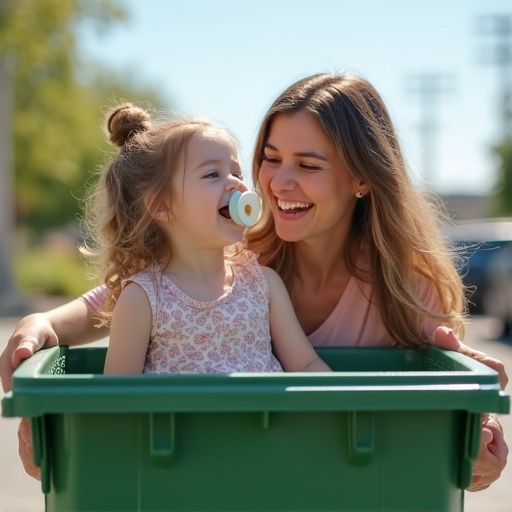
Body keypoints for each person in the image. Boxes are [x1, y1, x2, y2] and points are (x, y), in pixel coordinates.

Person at [1, 72, 507, 489]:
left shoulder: (401, 289)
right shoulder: (238, 253)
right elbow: (116, 303)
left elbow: (446, 426)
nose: (276, 182)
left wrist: (477, 435)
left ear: (361, 179)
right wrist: (42, 325)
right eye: (270, 158)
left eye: (307, 165)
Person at [84, 103, 331, 377]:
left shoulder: (263, 285)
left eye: (236, 173)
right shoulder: (143, 298)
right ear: (163, 206)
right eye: (212, 174)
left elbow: (305, 365)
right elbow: (119, 400)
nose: (236, 184)